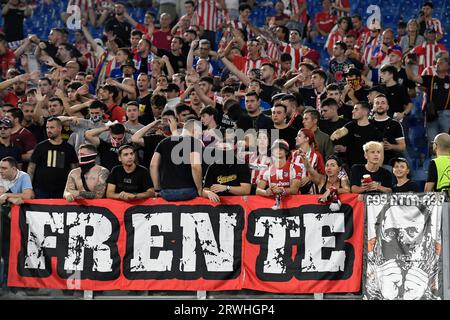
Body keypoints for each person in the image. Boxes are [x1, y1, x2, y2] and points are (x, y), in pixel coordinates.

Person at [150, 119, 203, 201]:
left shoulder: (163, 142)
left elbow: (153, 165)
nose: (201, 134)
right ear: (194, 130)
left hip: (166, 192)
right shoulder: (194, 142)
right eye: (200, 132)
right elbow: (195, 166)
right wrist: (200, 189)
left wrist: (157, 189)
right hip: (188, 191)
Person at [28, 117, 78, 199]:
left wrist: (73, 189)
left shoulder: (69, 148)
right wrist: (29, 189)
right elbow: (31, 169)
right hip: (41, 191)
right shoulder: (40, 147)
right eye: (47, 127)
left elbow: (75, 170)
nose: (48, 130)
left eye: (52, 127)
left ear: (60, 128)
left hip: (62, 191)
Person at [331, 101, 383, 167]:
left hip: (367, 167)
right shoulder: (351, 125)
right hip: (350, 166)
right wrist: (337, 134)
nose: (352, 111)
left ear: (365, 112)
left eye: (356, 109)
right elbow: (342, 131)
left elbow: (380, 155)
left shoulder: (375, 131)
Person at [202, 135, 251, 203]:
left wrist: (226, 188)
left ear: (233, 149)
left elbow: (246, 190)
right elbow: (205, 190)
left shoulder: (242, 165)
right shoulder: (213, 167)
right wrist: (208, 193)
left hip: (237, 203)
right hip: (218, 203)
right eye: (220, 149)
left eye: (226, 148)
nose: (223, 151)